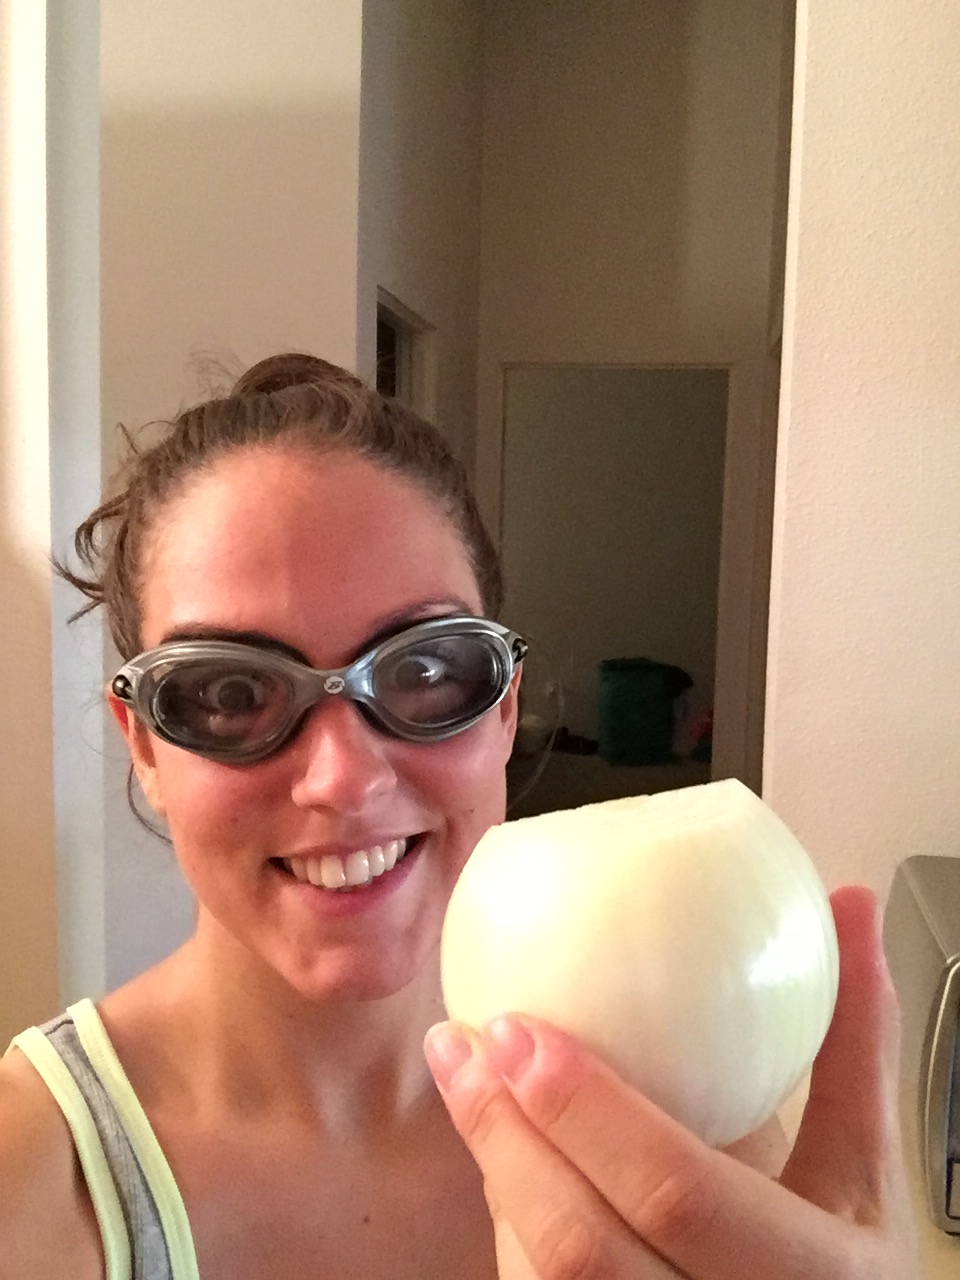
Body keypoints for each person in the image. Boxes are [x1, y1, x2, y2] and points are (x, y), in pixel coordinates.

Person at [0, 354, 918, 1279]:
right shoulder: (30, 1169)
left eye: (427, 669)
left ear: (505, 707)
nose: (344, 780)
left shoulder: (659, 1093)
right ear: (145, 744)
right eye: (231, 691)